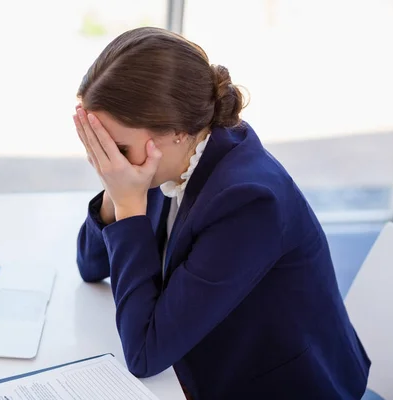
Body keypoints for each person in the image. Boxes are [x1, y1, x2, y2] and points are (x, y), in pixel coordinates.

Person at [73, 27, 370, 399]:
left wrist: (130, 206)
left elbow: (145, 354)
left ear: (176, 131)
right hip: (209, 362)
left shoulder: (248, 202)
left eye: (116, 147)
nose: (110, 161)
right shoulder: (173, 158)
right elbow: (90, 266)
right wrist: (115, 190)